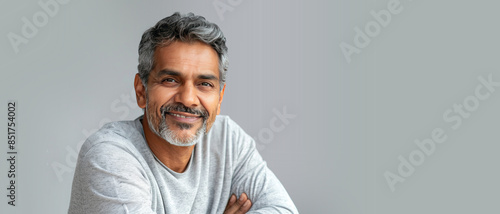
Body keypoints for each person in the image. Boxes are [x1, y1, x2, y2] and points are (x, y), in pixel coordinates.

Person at [68, 12, 298, 214]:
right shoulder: (109, 156)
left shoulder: (228, 140)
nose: (187, 98)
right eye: (170, 80)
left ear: (219, 98)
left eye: (204, 84)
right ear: (141, 90)